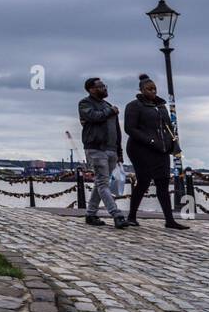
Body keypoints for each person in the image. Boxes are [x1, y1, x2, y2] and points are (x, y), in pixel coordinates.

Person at [124, 74, 188, 230]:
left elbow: (168, 127)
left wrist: (171, 144)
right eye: (149, 89)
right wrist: (150, 141)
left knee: (163, 183)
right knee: (144, 181)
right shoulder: (134, 106)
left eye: (154, 89)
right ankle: (132, 216)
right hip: (140, 149)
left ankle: (169, 220)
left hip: (162, 149)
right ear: (141, 90)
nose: (152, 91)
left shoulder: (161, 106)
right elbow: (130, 128)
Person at [78, 77, 128, 228]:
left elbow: (117, 131)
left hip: (111, 149)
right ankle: (116, 214)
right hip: (95, 148)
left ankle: (90, 214)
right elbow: (94, 116)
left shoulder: (108, 106)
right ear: (91, 89)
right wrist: (110, 111)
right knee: (102, 183)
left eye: (104, 86)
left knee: (101, 183)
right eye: (100, 86)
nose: (104, 88)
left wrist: (119, 152)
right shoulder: (85, 103)